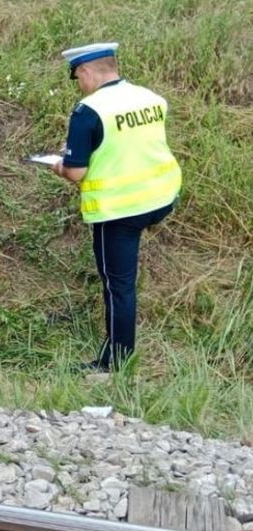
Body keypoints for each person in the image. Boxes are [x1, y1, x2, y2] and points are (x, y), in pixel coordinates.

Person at [52, 42, 182, 372]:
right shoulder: (150, 98)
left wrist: (60, 165)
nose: (79, 84)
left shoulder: (88, 111)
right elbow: (129, 144)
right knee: (123, 281)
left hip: (121, 210)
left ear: (85, 71)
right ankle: (118, 356)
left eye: (77, 77)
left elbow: (76, 172)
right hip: (161, 197)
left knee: (118, 285)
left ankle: (115, 364)